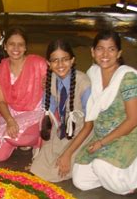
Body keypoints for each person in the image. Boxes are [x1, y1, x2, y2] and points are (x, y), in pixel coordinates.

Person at [72, 30, 137, 195]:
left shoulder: (128, 78)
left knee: (100, 166)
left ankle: (131, 172)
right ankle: (112, 169)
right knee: (80, 180)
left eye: (111, 49)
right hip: (103, 133)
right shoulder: (93, 73)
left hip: (129, 134)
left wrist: (102, 143)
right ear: (92, 51)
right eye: (100, 49)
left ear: (119, 53)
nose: (105, 54)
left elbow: (133, 120)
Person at [30, 39, 92, 182]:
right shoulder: (50, 81)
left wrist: (67, 154)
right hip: (64, 131)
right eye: (55, 61)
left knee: (53, 173)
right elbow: (50, 114)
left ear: (72, 60)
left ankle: (84, 161)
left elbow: (89, 125)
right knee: (36, 168)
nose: (60, 65)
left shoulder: (83, 84)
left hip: (82, 133)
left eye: (65, 60)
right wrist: (44, 148)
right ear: (48, 64)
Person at [0, 27, 47, 162]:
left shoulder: (38, 64)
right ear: (5, 46)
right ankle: (16, 143)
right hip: (11, 114)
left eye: (20, 44)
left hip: (35, 113)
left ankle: (36, 140)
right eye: (11, 44)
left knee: (16, 137)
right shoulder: (0, 69)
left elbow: (53, 83)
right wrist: (9, 120)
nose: (16, 48)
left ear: (25, 47)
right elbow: (1, 102)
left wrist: (48, 84)